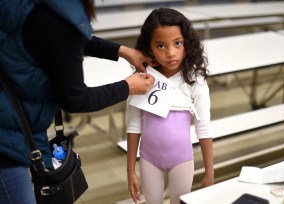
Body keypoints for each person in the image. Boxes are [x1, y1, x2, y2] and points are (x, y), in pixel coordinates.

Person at [0, 0, 155, 204]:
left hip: (15, 119)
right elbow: (75, 99)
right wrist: (128, 87)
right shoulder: (59, 17)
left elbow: (57, 38)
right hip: (7, 138)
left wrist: (121, 51)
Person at [126, 8, 214, 204]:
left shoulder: (195, 81)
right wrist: (130, 170)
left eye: (177, 43)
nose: (171, 53)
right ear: (148, 47)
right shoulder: (141, 81)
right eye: (160, 46)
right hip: (149, 160)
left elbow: (204, 128)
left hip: (181, 160)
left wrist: (209, 173)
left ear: (187, 43)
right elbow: (134, 126)